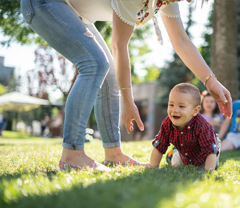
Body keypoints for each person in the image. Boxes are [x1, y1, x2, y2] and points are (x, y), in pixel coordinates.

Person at [21, 0, 232, 171]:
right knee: (95, 63)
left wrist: (210, 81)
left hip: (75, 13)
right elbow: (119, 45)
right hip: (45, 4)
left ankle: (114, 154)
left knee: (109, 72)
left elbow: (181, 41)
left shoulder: (168, 1)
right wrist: (128, 101)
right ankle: (72, 154)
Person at [150, 83, 221, 171]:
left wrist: (208, 171)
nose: (174, 110)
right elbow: (159, 146)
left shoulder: (203, 126)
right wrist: (153, 167)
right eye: (171, 105)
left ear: (195, 111)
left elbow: (210, 151)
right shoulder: (167, 123)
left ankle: (174, 153)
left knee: (209, 165)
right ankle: (172, 154)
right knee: (176, 165)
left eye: (181, 106)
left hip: (205, 155)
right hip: (184, 154)